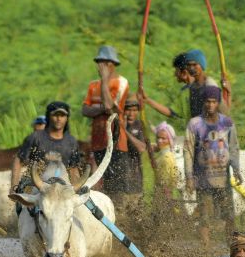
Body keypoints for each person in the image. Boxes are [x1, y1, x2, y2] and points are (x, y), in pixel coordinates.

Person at [183, 86, 242, 245]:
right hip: (203, 178)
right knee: (204, 216)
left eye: (214, 102)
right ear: (204, 103)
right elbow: (188, 151)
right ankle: (205, 248)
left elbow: (234, 147)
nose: (210, 105)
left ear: (218, 103)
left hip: (223, 177)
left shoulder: (227, 123)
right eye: (207, 102)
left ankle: (232, 245)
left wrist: (236, 169)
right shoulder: (195, 124)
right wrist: (189, 177)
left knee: (229, 215)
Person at [81, 45, 130, 199]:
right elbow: (84, 110)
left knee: (117, 186)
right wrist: (101, 110)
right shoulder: (92, 85)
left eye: (102, 62)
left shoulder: (121, 82)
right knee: (105, 184)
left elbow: (109, 106)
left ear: (111, 64)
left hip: (115, 142)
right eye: (99, 62)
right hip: (98, 141)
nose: (99, 66)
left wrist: (103, 81)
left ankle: (121, 218)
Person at [10, 101, 81, 194]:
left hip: (61, 188)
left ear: (67, 118)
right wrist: (13, 186)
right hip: (35, 186)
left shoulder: (71, 142)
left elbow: (73, 168)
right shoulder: (35, 137)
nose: (59, 118)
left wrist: (77, 189)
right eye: (55, 115)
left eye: (62, 115)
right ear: (48, 116)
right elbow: (18, 160)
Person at [141, 53, 194, 128]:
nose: (175, 74)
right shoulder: (184, 91)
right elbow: (173, 113)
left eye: (176, 70)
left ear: (184, 73)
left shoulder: (204, 87)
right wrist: (147, 100)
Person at [185, 49, 231, 117]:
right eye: (189, 65)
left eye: (195, 64)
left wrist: (229, 94)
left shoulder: (210, 85)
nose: (191, 68)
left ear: (201, 65)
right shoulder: (193, 86)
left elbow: (225, 114)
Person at [122, 97, 146, 196]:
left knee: (135, 205)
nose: (131, 114)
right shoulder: (115, 125)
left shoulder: (139, 125)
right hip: (119, 172)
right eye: (128, 110)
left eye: (135, 110)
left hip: (134, 173)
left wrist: (125, 131)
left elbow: (141, 148)